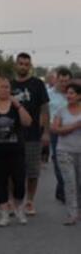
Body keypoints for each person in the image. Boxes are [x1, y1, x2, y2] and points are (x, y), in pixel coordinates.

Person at [0, 78, 33, 227]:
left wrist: (18, 106)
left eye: (7, 87)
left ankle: (19, 208)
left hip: (16, 151)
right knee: (0, 183)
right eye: (2, 87)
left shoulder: (16, 105)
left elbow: (27, 122)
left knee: (19, 181)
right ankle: (4, 213)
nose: (5, 90)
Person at [11, 53, 50, 217]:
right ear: (16, 65)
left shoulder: (38, 84)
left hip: (33, 134)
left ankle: (29, 201)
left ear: (30, 66)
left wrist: (46, 132)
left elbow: (45, 109)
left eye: (26, 64)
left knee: (32, 172)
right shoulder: (9, 85)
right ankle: (13, 202)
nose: (23, 67)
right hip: (11, 135)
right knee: (12, 172)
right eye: (21, 63)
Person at [51, 81, 81, 225]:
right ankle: (72, 214)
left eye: (72, 93)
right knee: (70, 183)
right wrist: (75, 125)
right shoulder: (61, 111)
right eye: (67, 93)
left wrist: (67, 128)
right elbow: (56, 130)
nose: (68, 96)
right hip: (64, 152)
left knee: (79, 183)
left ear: (79, 96)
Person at [49, 67, 73, 203]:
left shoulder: (73, 94)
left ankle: (63, 189)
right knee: (58, 161)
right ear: (56, 80)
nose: (63, 83)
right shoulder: (49, 94)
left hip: (72, 131)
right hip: (55, 132)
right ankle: (63, 188)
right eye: (61, 80)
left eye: (66, 81)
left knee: (71, 161)